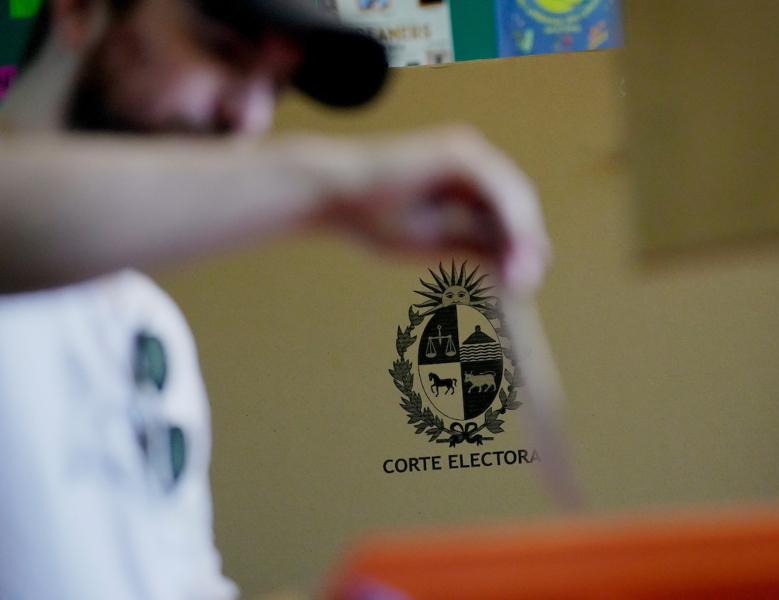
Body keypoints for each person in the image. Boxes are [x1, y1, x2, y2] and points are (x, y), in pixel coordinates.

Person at [0, 0, 550, 598]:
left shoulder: (149, 326)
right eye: (223, 50)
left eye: (277, 87)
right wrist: (330, 184)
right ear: (80, 9)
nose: (251, 119)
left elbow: (175, 582)